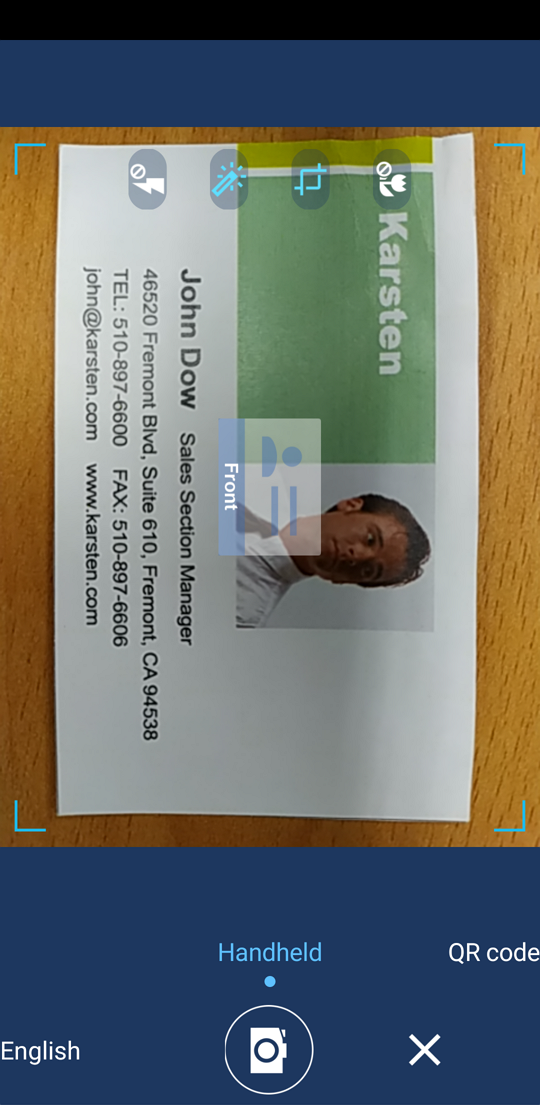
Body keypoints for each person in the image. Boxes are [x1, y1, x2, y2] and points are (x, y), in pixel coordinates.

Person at [235, 494, 431, 628]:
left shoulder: (244, 613)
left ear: (342, 581)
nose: (357, 556)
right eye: (370, 539)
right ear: (351, 505)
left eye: (368, 571)